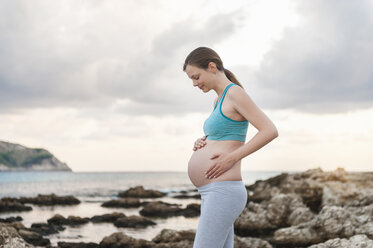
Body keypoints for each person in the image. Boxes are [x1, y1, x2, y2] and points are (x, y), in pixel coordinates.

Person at [183, 47, 279, 248]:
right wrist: (203, 141)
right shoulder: (218, 99)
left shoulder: (234, 92)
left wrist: (232, 157)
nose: (194, 83)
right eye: (191, 79)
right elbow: (224, 134)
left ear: (212, 67)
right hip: (211, 191)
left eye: (196, 76)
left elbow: (269, 130)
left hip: (223, 191)